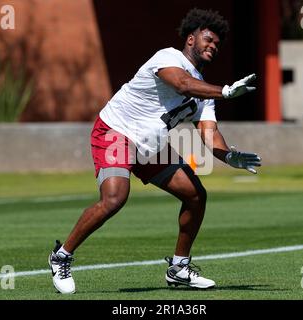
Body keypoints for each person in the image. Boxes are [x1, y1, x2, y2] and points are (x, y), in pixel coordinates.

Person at [48, 8, 261, 294]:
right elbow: (181, 83)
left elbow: (209, 135)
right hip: (116, 131)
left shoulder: (204, 91)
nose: (213, 46)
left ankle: (179, 268)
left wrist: (229, 156)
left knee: (195, 195)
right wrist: (224, 90)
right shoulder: (168, 57)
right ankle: (61, 256)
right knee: (114, 198)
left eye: (217, 44)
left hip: (151, 146)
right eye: (208, 39)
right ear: (190, 39)